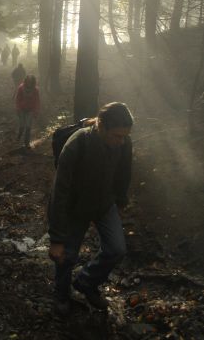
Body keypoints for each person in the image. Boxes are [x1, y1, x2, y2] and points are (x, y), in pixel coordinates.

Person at [48, 102, 133, 316]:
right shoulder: (77, 143)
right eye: (116, 136)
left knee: (116, 249)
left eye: (124, 136)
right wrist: (56, 238)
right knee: (66, 256)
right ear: (101, 126)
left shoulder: (124, 142)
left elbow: (124, 172)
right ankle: (61, 294)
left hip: (104, 204)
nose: (120, 141)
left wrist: (121, 199)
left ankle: (87, 282)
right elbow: (59, 192)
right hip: (75, 209)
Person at [15, 74, 40, 149]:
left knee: (28, 127)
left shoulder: (35, 90)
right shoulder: (21, 88)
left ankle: (26, 142)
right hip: (22, 109)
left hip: (30, 110)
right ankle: (19, 136)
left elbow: (37, 101)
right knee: (22, 125)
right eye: (28, 81)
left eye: (31, 81)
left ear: (33, 82)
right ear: (26, 81)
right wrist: (18, 108)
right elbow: (17, 99)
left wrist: (36, 111)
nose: (29, 82)